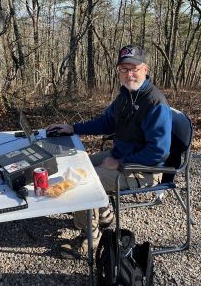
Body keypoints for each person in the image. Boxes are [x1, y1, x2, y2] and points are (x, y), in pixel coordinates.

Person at [47, 44, 172, 259]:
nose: (129, 74)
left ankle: (90, 237)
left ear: (146, 69)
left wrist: (120, 162)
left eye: (134, 68)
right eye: (123, 69)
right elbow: (105, 123)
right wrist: (74, 128)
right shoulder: (126, 95)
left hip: (143, 169)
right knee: (75, 165)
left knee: (80, 182)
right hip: (120, 157)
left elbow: (158, 152)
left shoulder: (154, 103)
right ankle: (103, 213)